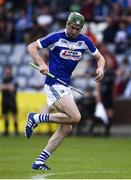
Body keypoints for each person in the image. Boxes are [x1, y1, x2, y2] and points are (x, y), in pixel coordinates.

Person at [25, 12, 105, 170]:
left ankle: (39, 161)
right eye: (71, 26)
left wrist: (100, 68)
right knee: (75, 117)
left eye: (77, 28)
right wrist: (41, 63)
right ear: (67, 24)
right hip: (53, 83)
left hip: (65, 85)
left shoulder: (85, 41)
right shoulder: (56, 37)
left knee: (67, 126)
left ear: (81, 29)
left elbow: (100, 57)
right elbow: (31, 47)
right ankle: (35, 118)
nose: (73, 30)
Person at [0, 65, 18, 136]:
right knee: (5, 116)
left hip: (12, 100)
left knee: (14, 116)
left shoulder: (13, 79)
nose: (7, 71)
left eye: (8, 70)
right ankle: (6, 132)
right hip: (4, 100)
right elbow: (1, 88)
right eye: (6, 70)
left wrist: (5, 86)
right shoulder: (3, 79)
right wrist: (8, 86)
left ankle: (16, 132)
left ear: (11, 70)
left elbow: (13, 88)